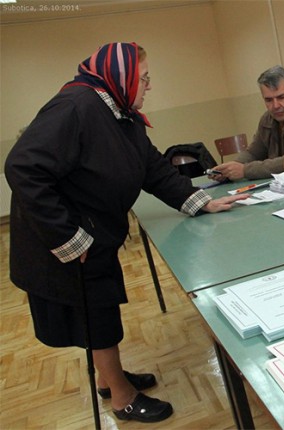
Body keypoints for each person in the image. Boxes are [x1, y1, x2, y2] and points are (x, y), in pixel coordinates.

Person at [4, 42, 248, 423]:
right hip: (64, 237)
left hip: (91, 233)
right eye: (144, 78)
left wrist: (199, 200)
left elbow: (152, 167)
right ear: (122, 77)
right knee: (97, 316)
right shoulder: (76, 107)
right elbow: (21, 167)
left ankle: (110, 377)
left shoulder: (120, 113)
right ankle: (122, 398)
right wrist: (66, 236)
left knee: (101, 311)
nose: (149, 86)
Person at [212, 65, 284, 180]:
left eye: (281, 97)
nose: (275, 106)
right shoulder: (267, 118)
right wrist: (230, 169)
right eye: (268, 100)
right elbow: (253, 153)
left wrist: (245, 170)